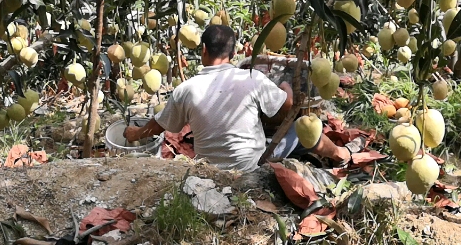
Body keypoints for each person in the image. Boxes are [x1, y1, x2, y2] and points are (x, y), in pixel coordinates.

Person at [124, 24, 350, 171]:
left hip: (209, 170)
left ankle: (330, 155)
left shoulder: (186, 89)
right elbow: (287, 105)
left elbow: (159, 125)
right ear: (233, 54)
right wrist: (285, 86)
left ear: (203, 50)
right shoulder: (251, 78)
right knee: (301, 129)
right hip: (252, 166)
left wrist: (134, 133)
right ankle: (341, 155)